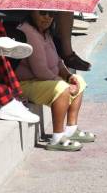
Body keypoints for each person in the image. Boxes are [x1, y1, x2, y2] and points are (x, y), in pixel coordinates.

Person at [17, 10, 93, 151]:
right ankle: (57, 138)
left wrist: (68, 76)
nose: (47, 17)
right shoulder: (29, 32)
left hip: (43, 80)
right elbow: (40, 71)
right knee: (62, 88)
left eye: (51, 14)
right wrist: (63, 83)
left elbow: (57, 61)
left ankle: (71, 129)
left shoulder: (45, 31)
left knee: (78, 80)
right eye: (43, 13)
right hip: (25, 84)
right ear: (32, 12)